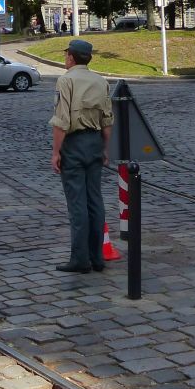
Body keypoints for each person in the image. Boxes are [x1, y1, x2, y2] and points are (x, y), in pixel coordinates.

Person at [49, 38, 114, 274]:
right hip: (95, 141)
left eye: (67, 54)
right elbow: (107, 120)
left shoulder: (65, 81)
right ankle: (98, 257)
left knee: (77, 203)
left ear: (71, 57)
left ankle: (80, 259)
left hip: (74, 143)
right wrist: (105, 148)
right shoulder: (100, 81)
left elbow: (61, 121)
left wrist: (56, 152)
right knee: (95, 201)